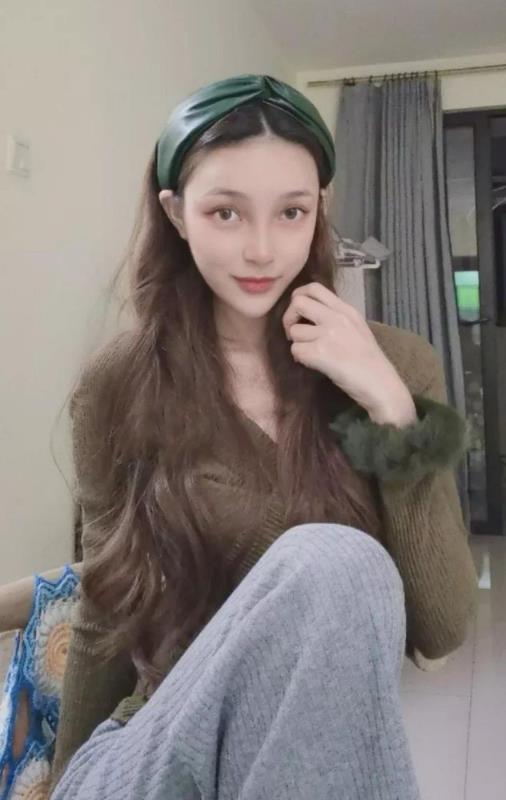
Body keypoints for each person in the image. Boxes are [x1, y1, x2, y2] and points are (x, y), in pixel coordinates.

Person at [2, 74, 478, 799]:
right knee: (332, 557)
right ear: (176, 213)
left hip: (294, 759)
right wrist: (72, 780)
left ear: (319, 211)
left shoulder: (398, 366)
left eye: (291, 212)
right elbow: (105, 610)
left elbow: (440, 628)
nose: (262, 249)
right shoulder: (119, 383)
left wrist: (389, 407)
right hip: (154, 745)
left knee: (338, 564)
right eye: (225, 213)